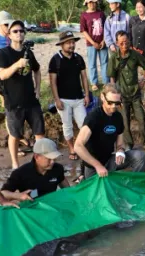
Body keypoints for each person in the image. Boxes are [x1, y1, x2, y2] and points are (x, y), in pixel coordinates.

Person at [0, 20, 46, 170]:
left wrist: (38, 89)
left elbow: (37, 70)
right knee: (15, 134)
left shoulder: (28, 52)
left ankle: (40, 162)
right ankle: (15, 164)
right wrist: (17, 65)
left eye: (21, 31)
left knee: (40, 133)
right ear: (9, 35)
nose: (19, 33)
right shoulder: (3, 53)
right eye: (15, 31)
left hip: (31, 100)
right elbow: (2, 75)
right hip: (13, 101)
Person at [74, 84, 145, 178]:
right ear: (102, 97)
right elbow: (77, 146)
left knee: (139, 156)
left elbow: (120, 144)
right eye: (110, 102)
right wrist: (98, 166)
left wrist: (120, 151)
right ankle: (83, 176)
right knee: (99, 191)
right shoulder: (94, 117)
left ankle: (137, 183)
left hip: (109, 161)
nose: (113, 106)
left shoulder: (118, 117)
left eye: (117, 103)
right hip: (93, 167)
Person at [107, 31, 145, 151]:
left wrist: (143, 81)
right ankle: (129, 144)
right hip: (121, 95)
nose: (124, 45)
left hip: (135, 92)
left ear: (130, 42)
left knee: (142, 118)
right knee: (124, 122)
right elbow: (111, 77)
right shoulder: (113, 58)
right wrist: (114, 93)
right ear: (117, 43)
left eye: (126, 42)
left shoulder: (135, 55)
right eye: (121, 43)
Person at [49, 31, 90, 160]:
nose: (71, 45)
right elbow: (53, 82)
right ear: (61, 44)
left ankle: (81, 147)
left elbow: (84, 77)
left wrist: (87, 95)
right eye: (68, 43)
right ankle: (72, 149)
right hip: (63, 99)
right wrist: (57, 100)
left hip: (79, 98)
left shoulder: (78, 58)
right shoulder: (55, 60)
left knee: (84, 124)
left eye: (73, 42)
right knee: (67, 126)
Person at [1, 138, 70, 201]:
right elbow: (2, 193)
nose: (52, 162)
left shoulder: (58, 169)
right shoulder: (20, 173)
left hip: (51, 204)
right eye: (49, 159)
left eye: (54, 158)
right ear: (36, 157)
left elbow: (68, 190)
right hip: (31, 207)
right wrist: (18, 196)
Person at [80, 0, 108, 92]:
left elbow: (106, 28)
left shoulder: (101, 14)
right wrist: (93, 43)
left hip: (102, 43)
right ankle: (94, 83)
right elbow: (84, 31)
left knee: (104, 63)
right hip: (91, 44)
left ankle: (106, 82)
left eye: (94, 2)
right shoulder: (84, 15)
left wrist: (104, 40)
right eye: (90, 2)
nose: (92, 4)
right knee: (92, 64)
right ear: (87, 4)